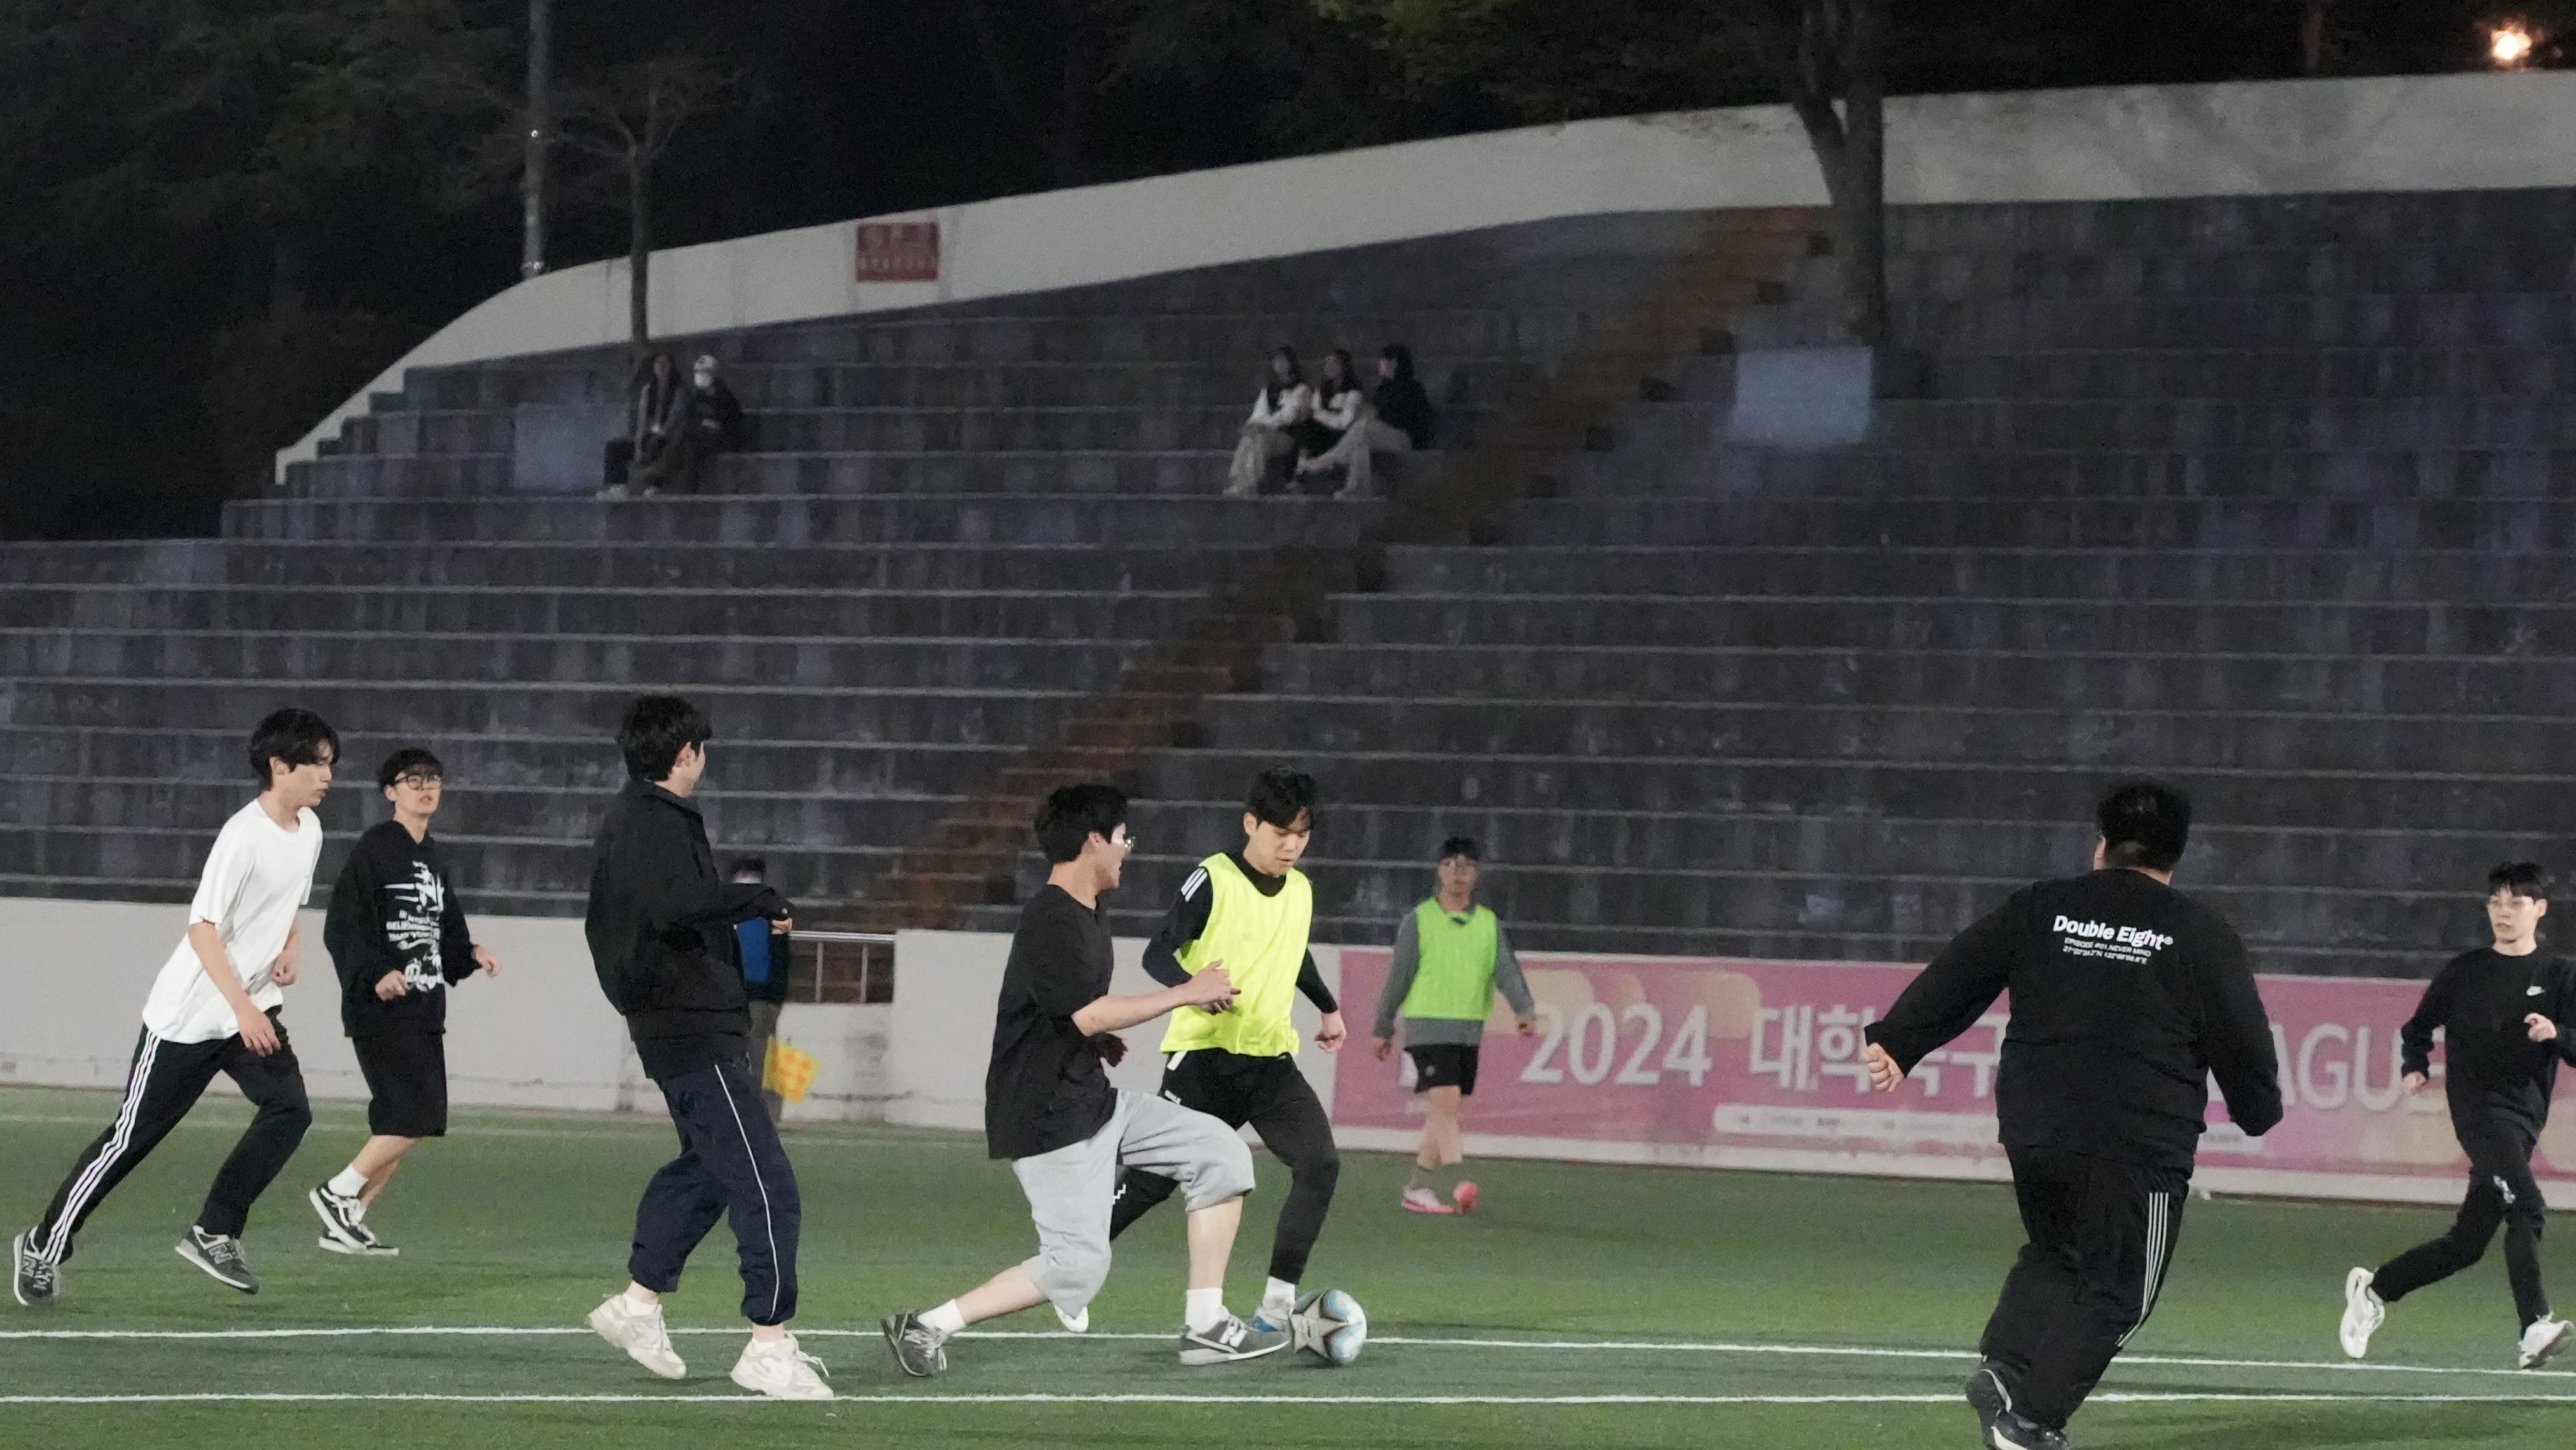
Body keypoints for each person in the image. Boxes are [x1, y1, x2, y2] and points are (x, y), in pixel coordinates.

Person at [1859, 780, 2282, 1450]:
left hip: (2035, 1125)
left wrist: (1899, 1039)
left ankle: (2006, 1369)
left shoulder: (2044, 907)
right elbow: (2241, 1036)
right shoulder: (2199, 933)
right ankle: (2030, 1422)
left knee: (2058, 1251)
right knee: (2121, 1289)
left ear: (2101, 845)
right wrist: (2257, 1110)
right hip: (2134, 1137)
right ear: (2176, 856)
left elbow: (1964, 968)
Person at [880, 784, 1289, 1375]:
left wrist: (1097, 1042)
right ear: (1094, 840)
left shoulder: (1088, 909)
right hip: (1045, 1116)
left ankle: (1205, 1327)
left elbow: (1067, 1013)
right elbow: (1085, 1012)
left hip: (1092, 1101)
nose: (1128, 848)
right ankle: (924, 1326)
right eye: (1123, 837)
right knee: (1076, 1267)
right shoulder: (1051, 918)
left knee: (1221, 1154)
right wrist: (1186, 992)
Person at [11, 709, 335, 1307]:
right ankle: (43, 1245)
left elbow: (291, 902)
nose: (327, 776)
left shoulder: (309, 829)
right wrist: (241, 1008)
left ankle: (215, 1230)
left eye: (329, 764)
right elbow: (203, 929)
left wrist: (291, 948)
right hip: (189, 1018)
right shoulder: (242, 837)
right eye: (316, 764)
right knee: (129, 1142)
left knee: (290, 1111)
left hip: (250, 1008)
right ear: (278, 766)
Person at [581, 695, 829, 1401]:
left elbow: (667, 908)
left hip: (686, 1024)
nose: (705, 758)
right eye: (702, 748)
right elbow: (675, 906)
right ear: (685, 753)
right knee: (767, 1182)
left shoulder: (645, 819)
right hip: (689, 1027)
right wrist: (757, 899)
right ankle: (768, 1345)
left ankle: (637, 1305)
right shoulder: (649, 820)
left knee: (709, 1170)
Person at [1107, 768, 1347, 1334]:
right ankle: (1064, 1263)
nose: (1290, 846)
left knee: (1319, 1165)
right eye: (1280, 833)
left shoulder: (1301, 890)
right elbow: (1157, 952)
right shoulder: (1212, 878)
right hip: (1204, 1063)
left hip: (1269, 1064)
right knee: (1149, 1185)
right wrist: (1190, 988)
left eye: (1301, 835)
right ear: (1250, 824)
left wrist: (1328, 1007)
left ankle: (1276, 1309)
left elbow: (1294, 954)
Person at [2339, 862, 2576, 1371]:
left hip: (2524, 1121)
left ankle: (2374, 1289)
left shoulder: (2559, 976)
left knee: (2466, 1245)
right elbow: (2417, 1028)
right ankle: (2534, 1326)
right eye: (2495, 902)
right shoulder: (2464, 971)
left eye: (2515, 903)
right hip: (2478, 1113)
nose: (2502, 912)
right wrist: (2414, 1065)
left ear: (2539, 909)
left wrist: (2556, 1034)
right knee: (2527, 1206)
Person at [308, 747, 502, 1258]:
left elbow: (447, 930)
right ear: (390, 792)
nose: (425, 787)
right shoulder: (376, 848)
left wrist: (472, 953)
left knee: (402, 1119)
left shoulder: (431, 856)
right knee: (416, 1116)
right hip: (383, 1008)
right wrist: (376, 974)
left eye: (432, 778)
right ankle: (337, 1192)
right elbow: (341, 926)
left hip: (424, 1006)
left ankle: (347, 1220)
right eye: (412, 780)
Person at [1369, 836, 1536, 1215]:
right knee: (1445, 1102)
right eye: (1450, 865)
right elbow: (1398, 978)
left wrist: (1523, 1009)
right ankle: (1459, 1179)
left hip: (1468, 1028)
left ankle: (1418, 1187)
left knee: (1444, 1109)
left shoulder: (1489, 924)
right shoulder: (1420, 920)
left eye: (1467, 866)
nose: (1458, 873)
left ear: (1477, 875)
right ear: (1438, 871)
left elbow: (1507, 970)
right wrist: (1383, 1026)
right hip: (1427, 1025)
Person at [1298, 343, 1436, 500]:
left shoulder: (1413, 388)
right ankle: (1357, 489)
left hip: (1404, 438)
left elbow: (1416, 421)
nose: (1379, 363)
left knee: (1363, 428)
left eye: (1383, 360)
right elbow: (1379, 415)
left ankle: (1322, 463)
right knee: (1361, 442)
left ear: (1394, 363)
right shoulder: (1384, 388)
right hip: (1383, 434)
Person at [731, 857, 792, 1124]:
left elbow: (781, 955)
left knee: (759, 1055)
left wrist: (776, 996)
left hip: (758, 994)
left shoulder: (776, 911)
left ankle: (758, 1112)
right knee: (746, 1054)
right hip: (741, 994)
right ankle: (744, 1110)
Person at [636, 354, 746, 496]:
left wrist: (716, 425)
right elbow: (688, 417)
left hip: (721, 439)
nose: (701, 375)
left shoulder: (725, 397)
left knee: (688, 436)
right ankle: (681, 486)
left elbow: (735, 424)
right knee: (688, 444)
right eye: (698, 371)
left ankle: (659, 477)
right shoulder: (694, 396)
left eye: (706, 372)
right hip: (696, 436)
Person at [1224, 347, 1311, 497]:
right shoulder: (1270, 389)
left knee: (1260, 439)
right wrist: (1253, 424)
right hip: (1266, 432)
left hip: (1288, 436)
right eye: (1276, 360)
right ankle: (1238, 482)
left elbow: (1288, 416)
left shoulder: (1302, 389)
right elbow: (1259, 412)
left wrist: (1264, 425)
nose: (1278, 363)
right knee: (1248, 439)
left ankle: (1250, 484)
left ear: (1291, 363)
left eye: (1283, 360)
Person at [601, 352, 683, 498]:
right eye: (658, 364)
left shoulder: (679, 391)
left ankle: (656, 486)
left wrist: (663, 431)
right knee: (614, 447)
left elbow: (675, 417)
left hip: (668, 438)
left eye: (665, 364)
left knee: (656, 444)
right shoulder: (648, 390)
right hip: (647, 436)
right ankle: (619, 486)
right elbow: (642, 421)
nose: (661, 367)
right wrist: (638, 446)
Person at [1288, 349, 1362, 495]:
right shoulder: (1321, 390)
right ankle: (1300, 473)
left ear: (1344, 366)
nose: (1328, 366)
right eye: (1327, 363)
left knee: (1309, 429)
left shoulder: (1352, 392)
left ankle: (1300, 473)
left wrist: (1322, 416)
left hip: (1340, 434)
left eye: (1334, 362)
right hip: (1320, 431)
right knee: (1305, 428)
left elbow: (1344, 422)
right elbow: (1314, 412)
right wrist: (1322, 416)